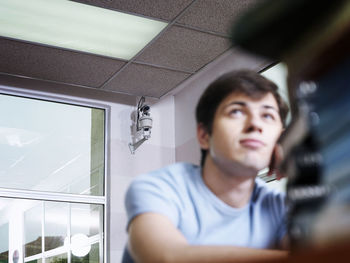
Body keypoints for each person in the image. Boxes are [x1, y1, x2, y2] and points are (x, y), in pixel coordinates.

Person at [122, 70, 289, 263]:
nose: (255, 124)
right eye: (236, 111)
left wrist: (307, 169)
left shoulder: (280, 205)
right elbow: (167, 258)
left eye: (267, 116)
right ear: (204, 135)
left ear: (280, 137)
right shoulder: (158, 188)